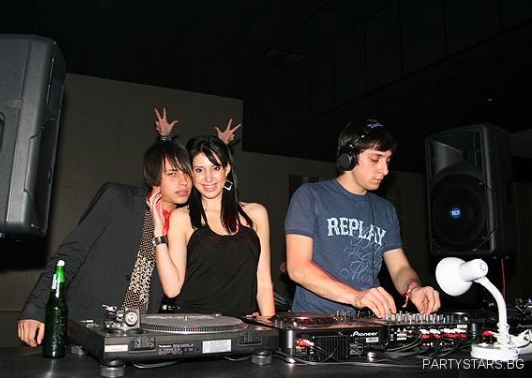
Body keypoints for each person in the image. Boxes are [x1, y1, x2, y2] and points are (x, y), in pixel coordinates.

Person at [17, 139, 192, 346]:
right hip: (86, 325)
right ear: (154, 177)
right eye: (172, 174)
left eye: (187, 173)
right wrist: (36, 308)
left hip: (137, 335)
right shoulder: (118, 198)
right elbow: (71, 253)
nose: (183, 181)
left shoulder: (183, 226)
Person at [285, 119, 440, 318]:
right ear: (348, 158)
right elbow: (298, 268)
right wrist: (356, 296)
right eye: (376, 159)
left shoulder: (385, 210)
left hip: (368, 322)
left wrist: (414, 289)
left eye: (388, 160)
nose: (385, 170)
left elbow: (400, 268)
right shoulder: (310, 196)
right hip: (316, 321)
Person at [153, 135, 275, 317]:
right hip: (194, 324)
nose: (208, 177)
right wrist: (158, 233)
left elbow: (263, 282)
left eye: (215, 167)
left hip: (241, 326)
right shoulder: (182, 217)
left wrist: (269, 324)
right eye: (199, 170)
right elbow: (172, 289)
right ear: (191, 174)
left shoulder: (256, 213)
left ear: (227, 169)